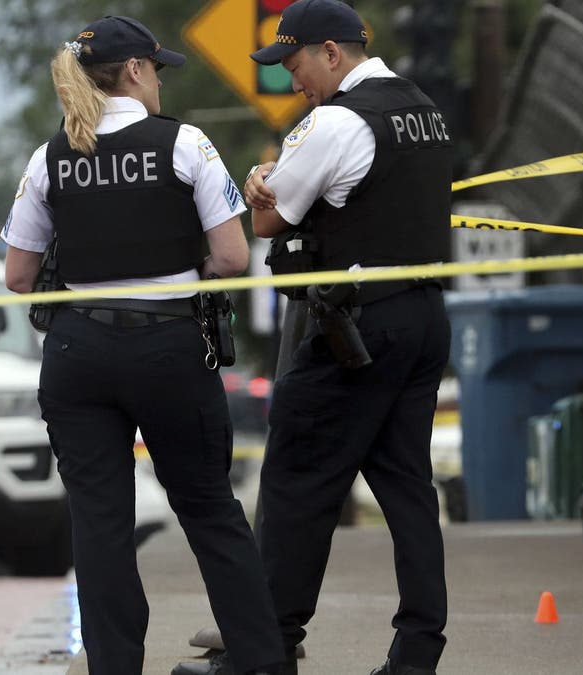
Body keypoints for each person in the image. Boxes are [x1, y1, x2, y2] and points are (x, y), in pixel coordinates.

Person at [0, 16, 285, 675]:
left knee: (100, 523)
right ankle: (261, 662)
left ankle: (115, 665)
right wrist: (192, 271)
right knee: (210, 509)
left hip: (77, 355)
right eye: (156, 69)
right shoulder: (185, 143)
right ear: (134, 71)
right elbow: (234, 255)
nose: (159, 82)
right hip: (167, 350)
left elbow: (17, 276)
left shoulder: (50, 156)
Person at [188, 1, 454, 674]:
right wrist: (273, 189)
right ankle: (417, 651)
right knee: (407, 488)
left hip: (356, 324)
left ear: (332, 53)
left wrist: (258, 184)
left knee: (296, 476)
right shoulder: (420, 105)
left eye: (295, 63)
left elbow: (271, 221)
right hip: (424, 317)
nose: (291, 81)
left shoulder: (337, 120)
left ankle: (266, 643)